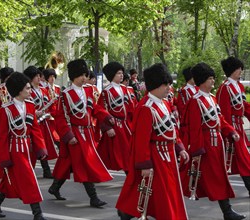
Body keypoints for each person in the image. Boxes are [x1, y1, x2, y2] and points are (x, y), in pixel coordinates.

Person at [116, 63, 189, 220]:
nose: (169, 88)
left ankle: (128, 212)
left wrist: (179, 147)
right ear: (156, 85)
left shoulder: (164, 104)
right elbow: (142, 140)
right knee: (159, 193)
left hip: (167, 155)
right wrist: (145, 164)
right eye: (166, 85)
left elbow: (171, 130)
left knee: (162, 193)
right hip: (156, 157)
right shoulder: (146, 108)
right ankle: (128, 212)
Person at [179, 62, 246, 220]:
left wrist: (230, 131)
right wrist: (197, 150)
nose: (213, 81)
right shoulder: (196, 101)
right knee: (210, 179)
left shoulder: (212, 98)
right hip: (206, 146)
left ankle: (227, 211)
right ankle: (227, 212)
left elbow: (220, 119)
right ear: (202, 80)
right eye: (210, 78)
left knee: (216, 178)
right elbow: (194, 128)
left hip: (217, 144)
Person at [48, 59, 114, 208]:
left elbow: (95, 108)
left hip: (88, 133)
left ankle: (55, 187)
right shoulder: (65, 94)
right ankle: (93, 197)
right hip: (75, 133)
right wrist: (68, 135)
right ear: (75, 76)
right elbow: (61, 117)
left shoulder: (89, 91)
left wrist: (106, 116)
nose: (85, 78)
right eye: (82, 75)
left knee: (69, 163)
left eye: (85, 75)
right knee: (84, 164)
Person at [0, 72, 48, 220]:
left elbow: (35, 129)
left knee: (11, 180)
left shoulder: (30, 105)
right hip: (14, 150)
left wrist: (40, 148)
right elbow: (2, 136)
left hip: (28, 149)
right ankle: (37, 214)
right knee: (29, 180)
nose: (30, 91)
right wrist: (4, 158)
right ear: (19, 90)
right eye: (27, 88)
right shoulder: (5, 109)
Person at [216, 57, 250, 196]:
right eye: (238, 69)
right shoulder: (225, 88)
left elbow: (244, 106)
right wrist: (229, 131)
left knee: (240, 159)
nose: (240, 71)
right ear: (231, 70)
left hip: (239, 126)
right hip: (232, 127)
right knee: (243, 159)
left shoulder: (239, 86)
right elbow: (224, 112)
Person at [96, 62, 134, 173]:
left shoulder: (125, 89)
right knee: (118, 152)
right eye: (118, 73)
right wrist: (107, 127)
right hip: (115, 125)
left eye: (122, 73)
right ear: (112, 75)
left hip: (126, 125)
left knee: (127, 151)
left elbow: (131, 107)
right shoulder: (106, 91)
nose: (121, 75)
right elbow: (101, 111)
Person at [24, 66, 57, 178]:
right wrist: (34, 112)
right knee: (35, 147)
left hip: (44, 123)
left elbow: (49, 105)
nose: (39, 77)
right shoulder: (29, 91)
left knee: (43, 147)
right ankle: (31, 170)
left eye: (39, 75)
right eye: (36, 76)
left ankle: (46, 170)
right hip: (34, 122)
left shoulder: (43, 90)